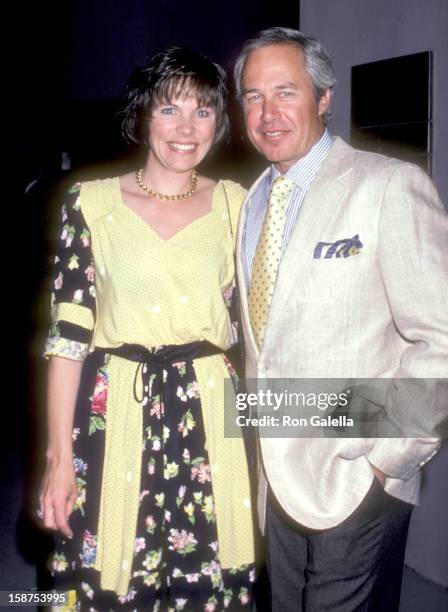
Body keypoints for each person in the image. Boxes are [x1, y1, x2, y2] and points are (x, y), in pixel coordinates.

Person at [233, 26, 448, 611]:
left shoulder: (389, 187)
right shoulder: (250, 201)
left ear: (324, 97)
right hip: (274, 477)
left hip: (357, 478)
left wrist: (383, 460)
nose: (268, 114)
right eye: (253, 96)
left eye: (286, 92)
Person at [38, 46, 256, 611]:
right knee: (107, 579)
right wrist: (59, 459)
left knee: (210, 583)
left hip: (213, 415)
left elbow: (265, 325)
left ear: (219, 123)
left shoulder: (239, 204)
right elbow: (67, 340)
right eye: (170, 109)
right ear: (142, 115)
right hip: (116, 415)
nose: (187, 129)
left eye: (203, 112)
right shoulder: (90, 204)